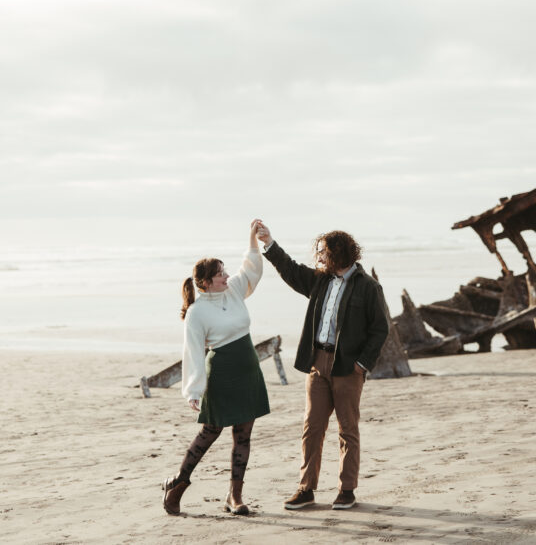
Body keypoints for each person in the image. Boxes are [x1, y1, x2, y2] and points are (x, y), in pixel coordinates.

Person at [254, 222, 389, 511]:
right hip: (318, 364)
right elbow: (289, 269)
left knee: (347, 430)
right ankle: (306, 489)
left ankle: (347, 489)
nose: (319, 257)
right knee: (312, 428)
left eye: (324, 253)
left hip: (348, 368)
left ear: (339, 254)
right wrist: (269, 242)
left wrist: (361, 364)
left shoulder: (369, 288)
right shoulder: (320, 281)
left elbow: (380, 329)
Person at [162, 219, 269, 517]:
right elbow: (193, 352)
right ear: (206, 281)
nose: (226, 276)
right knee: (210, 431)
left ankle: (234, 496)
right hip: (222, 375)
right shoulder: (197, 313)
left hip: (248, 371)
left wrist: (253, 240)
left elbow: (251, 269)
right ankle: (180, 484)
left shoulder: (234, 290)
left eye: (224, 271)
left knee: (243, 435)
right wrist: (193, 390)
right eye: (220, 273)